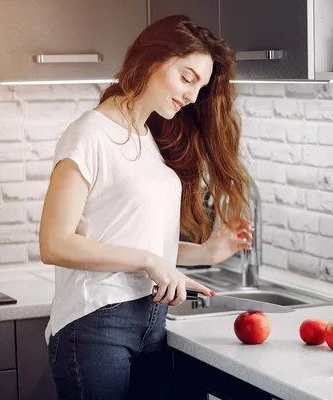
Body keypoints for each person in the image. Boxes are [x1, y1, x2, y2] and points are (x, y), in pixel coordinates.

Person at [39, 15, 253, 399]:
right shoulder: (89, 134)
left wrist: (206, 252)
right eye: (187, 78)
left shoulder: (147, 137)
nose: (192, 96)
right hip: (94, 327)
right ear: (154, 58)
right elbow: (54, 244)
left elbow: (131, 238)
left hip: (150, 322)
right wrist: (150, 262)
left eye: (199, 87)